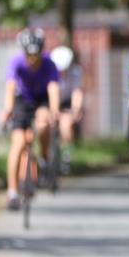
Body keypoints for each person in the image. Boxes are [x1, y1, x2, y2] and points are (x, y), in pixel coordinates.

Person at [0, 28, 61, 210]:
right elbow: (10, 86)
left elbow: (53, 88)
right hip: (23, 100)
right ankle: (12, 191)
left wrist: (55, 110)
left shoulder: (49, 63)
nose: (33, 59)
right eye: (29, 55)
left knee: (43, 124)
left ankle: (43, 158)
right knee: (18, 143)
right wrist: (8, 109)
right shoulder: (16, 62)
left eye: (36, 54)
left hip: (41, 99)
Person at [50, 46, 84, 174]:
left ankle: (66, 154)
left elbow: (77, 92)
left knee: (66, 125)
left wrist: (75, 110)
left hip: (66, 103)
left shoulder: (75, 72)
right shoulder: (50, 72)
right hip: (51, 101)